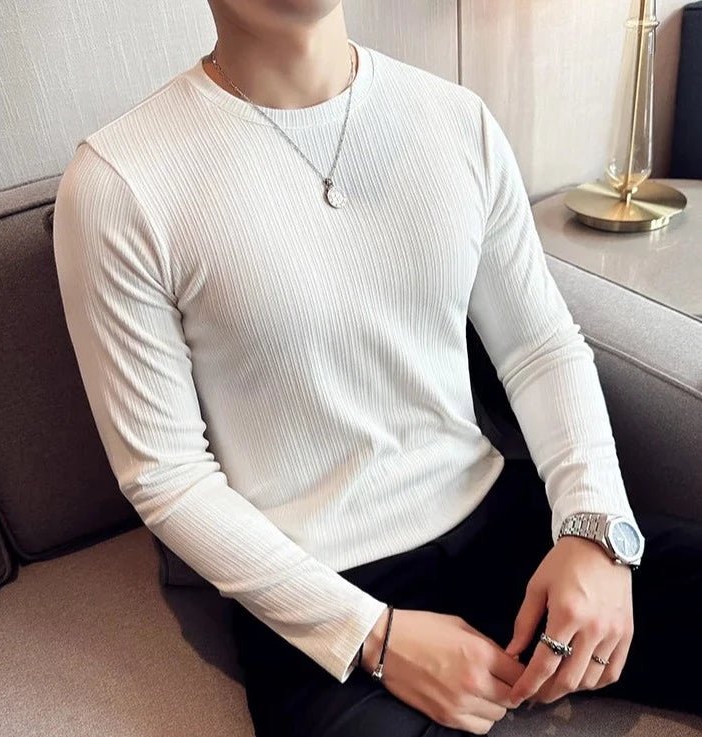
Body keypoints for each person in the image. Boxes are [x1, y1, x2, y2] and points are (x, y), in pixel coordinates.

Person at [51, 1, 702, 735]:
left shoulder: (455, 118)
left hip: (502, 518)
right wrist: (373, 635)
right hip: (315, 586)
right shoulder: (120, 182)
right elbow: (165, 476)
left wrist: (596, 528)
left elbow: (539, 345)